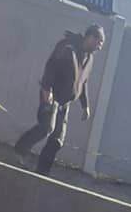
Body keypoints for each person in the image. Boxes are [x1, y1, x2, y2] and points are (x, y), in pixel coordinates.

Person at [14, 23, 106, 175]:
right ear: (90, 37)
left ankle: (42, 172)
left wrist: (85, 105)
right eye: (99, 42)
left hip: (65, 103)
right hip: (52, 96)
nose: (100, 47)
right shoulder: (67, 46)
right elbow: (51, 67)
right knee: (46, 128)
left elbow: (83, 82)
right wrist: (46, 89)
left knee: (57, 140)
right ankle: (18, 151)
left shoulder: (89, 59)